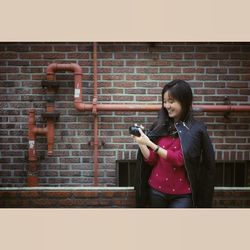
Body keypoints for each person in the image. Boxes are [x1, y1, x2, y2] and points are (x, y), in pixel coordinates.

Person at [132, 79, 215, 208]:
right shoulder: (160, 126)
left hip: (182, 195)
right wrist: (141, 142)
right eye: (165, 102)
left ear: (185, 101)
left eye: (171, 101)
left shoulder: (196, 129)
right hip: (156, 190)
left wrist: (151, 144)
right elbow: (152, 160)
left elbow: (180, 159)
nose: (167, 106)